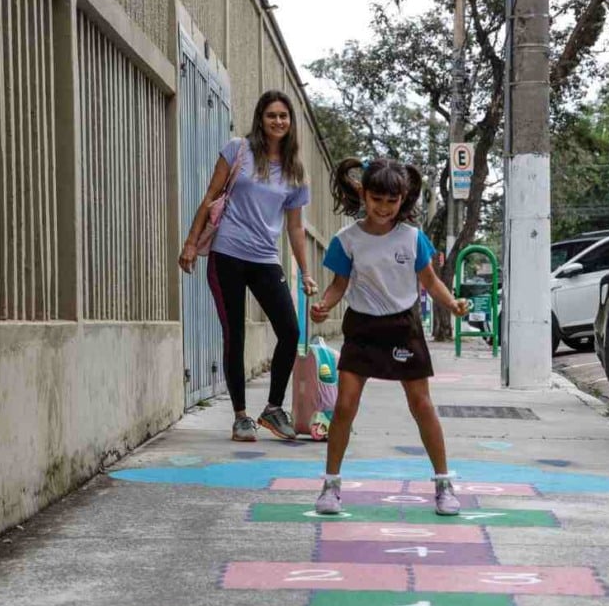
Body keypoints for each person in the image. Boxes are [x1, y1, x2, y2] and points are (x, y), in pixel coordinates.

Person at [309, 157, 471, 516]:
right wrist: (322, 305)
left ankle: (444, 483)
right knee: (345, 405)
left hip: (403, 327)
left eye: (391, 201)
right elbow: (339, 285)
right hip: (362, 328)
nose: (383, 208)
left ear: (403, 199)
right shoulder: (346, 240)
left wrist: (453, 303)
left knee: (422, 405)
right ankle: (331, 485)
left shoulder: (413, 238)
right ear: (363, 195)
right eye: (376, 199)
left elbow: (430, 280)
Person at [178, 91, 317, 442]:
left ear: (291, 122)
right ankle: (241, 416)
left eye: (284, 116)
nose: (278, 121)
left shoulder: (295, 171)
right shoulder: (238, 150)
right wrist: (191, 244)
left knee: (289, 330)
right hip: (227, 254)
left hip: (265, 258)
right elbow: (210, 196)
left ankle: (273, 408)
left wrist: (306, 271)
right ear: (261, 118)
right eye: (271, 115)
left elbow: (295, 226)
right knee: (234, 334)